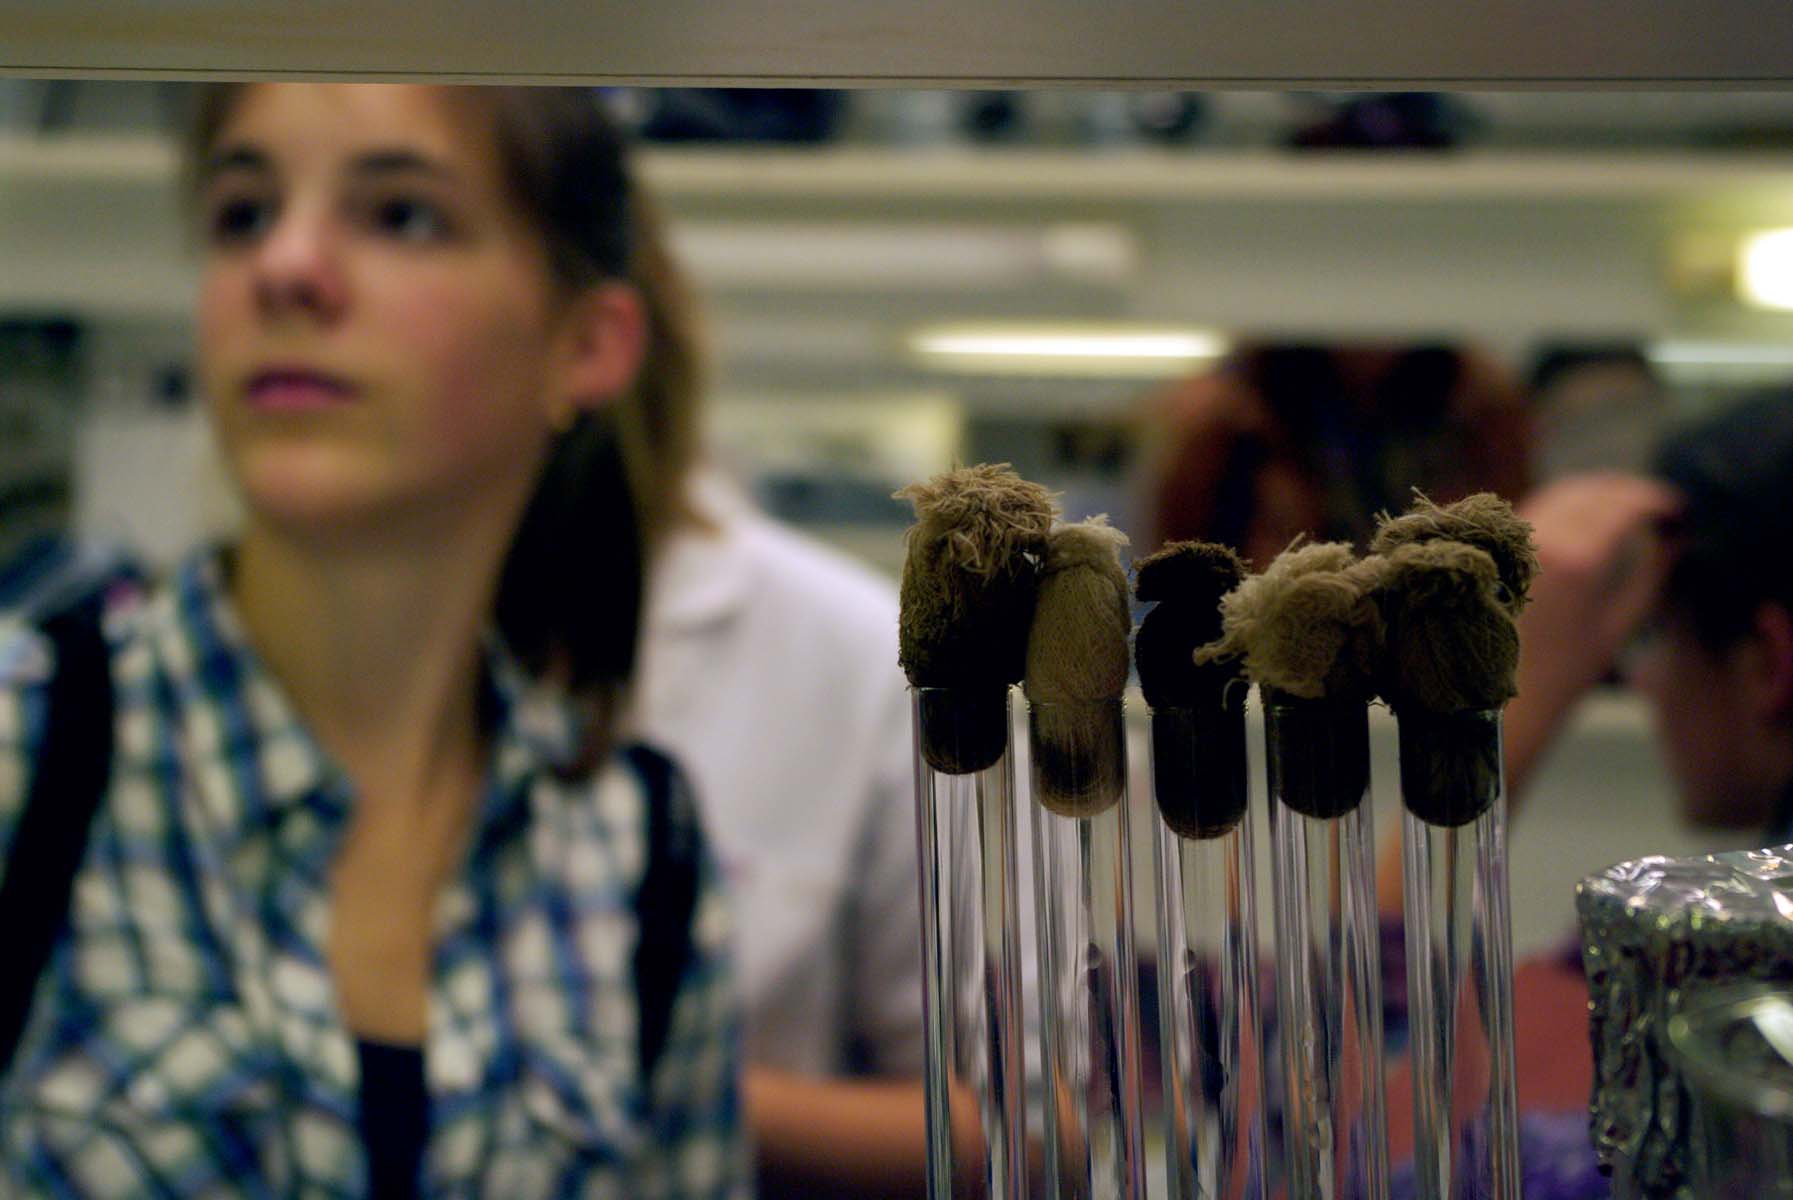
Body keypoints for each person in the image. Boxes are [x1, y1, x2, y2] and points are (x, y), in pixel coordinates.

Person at [0, 83, 745, 1196]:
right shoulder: (27, 752)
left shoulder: (640, 855)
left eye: (402, 215)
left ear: (586, 344)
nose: (284, 267)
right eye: (243, 213)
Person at [618, 190, 929, 1197]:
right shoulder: (309, 646)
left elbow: (1022, 1123)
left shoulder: (853, 657)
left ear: (600, 346)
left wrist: (655, 1090)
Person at [1141, 341, 1533, 568]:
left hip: (1425, 644)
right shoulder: (1226, 412)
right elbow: (1182, 559)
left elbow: (1506, 549)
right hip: (1269, 642)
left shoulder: (1477, 404)